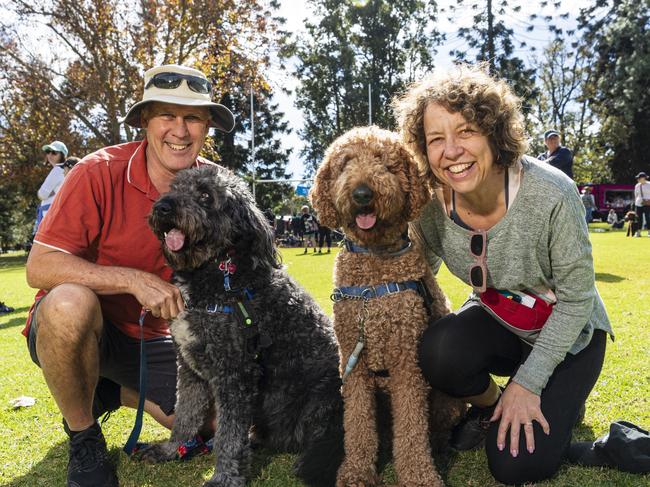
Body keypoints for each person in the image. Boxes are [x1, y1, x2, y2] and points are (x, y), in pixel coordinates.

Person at [393, 64, 613, 485]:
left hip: (571, 336)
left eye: (466, 132)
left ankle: (593, 426)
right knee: (440, 351)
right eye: (436, 138)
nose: (451, 150)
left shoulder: (551, 192)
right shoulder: (428, 205)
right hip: (501, 320)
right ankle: (492, 403)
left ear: (494, 132)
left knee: (516, 465)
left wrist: (527, 384)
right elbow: (414, 275)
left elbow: (577, 301)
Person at [23, 64, 234, 487]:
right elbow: (40, 266)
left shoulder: (219, 186)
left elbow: (237, 271)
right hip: (88, 327)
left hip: (161, 339)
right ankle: (83, 437)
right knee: (68, 302)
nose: (180, 130)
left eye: (193, 117)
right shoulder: (96, 171)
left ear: (207, 126)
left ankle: (109, 391)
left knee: (214, 425)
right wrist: (134, 280)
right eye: (166, 116)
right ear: (144, 122)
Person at [34, 140, 68, 234]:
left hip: (49, 215)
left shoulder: (57, 170)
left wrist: (50, 193)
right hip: (60, 214)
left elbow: (42, 194)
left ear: (62, 155)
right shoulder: (67, 170)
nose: (50, 155)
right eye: (48, 152)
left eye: (54, 152)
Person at [633, 172, 650, 237]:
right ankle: (638, 232)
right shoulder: (637, 186)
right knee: (638, 218)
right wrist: (635, 204)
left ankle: (649, 232)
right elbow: (636, 195)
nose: (638, 179)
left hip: (648, 203)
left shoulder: (649, 184)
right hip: (638, 203)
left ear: (644, 178)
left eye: (639, 178)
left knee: (648, 218)